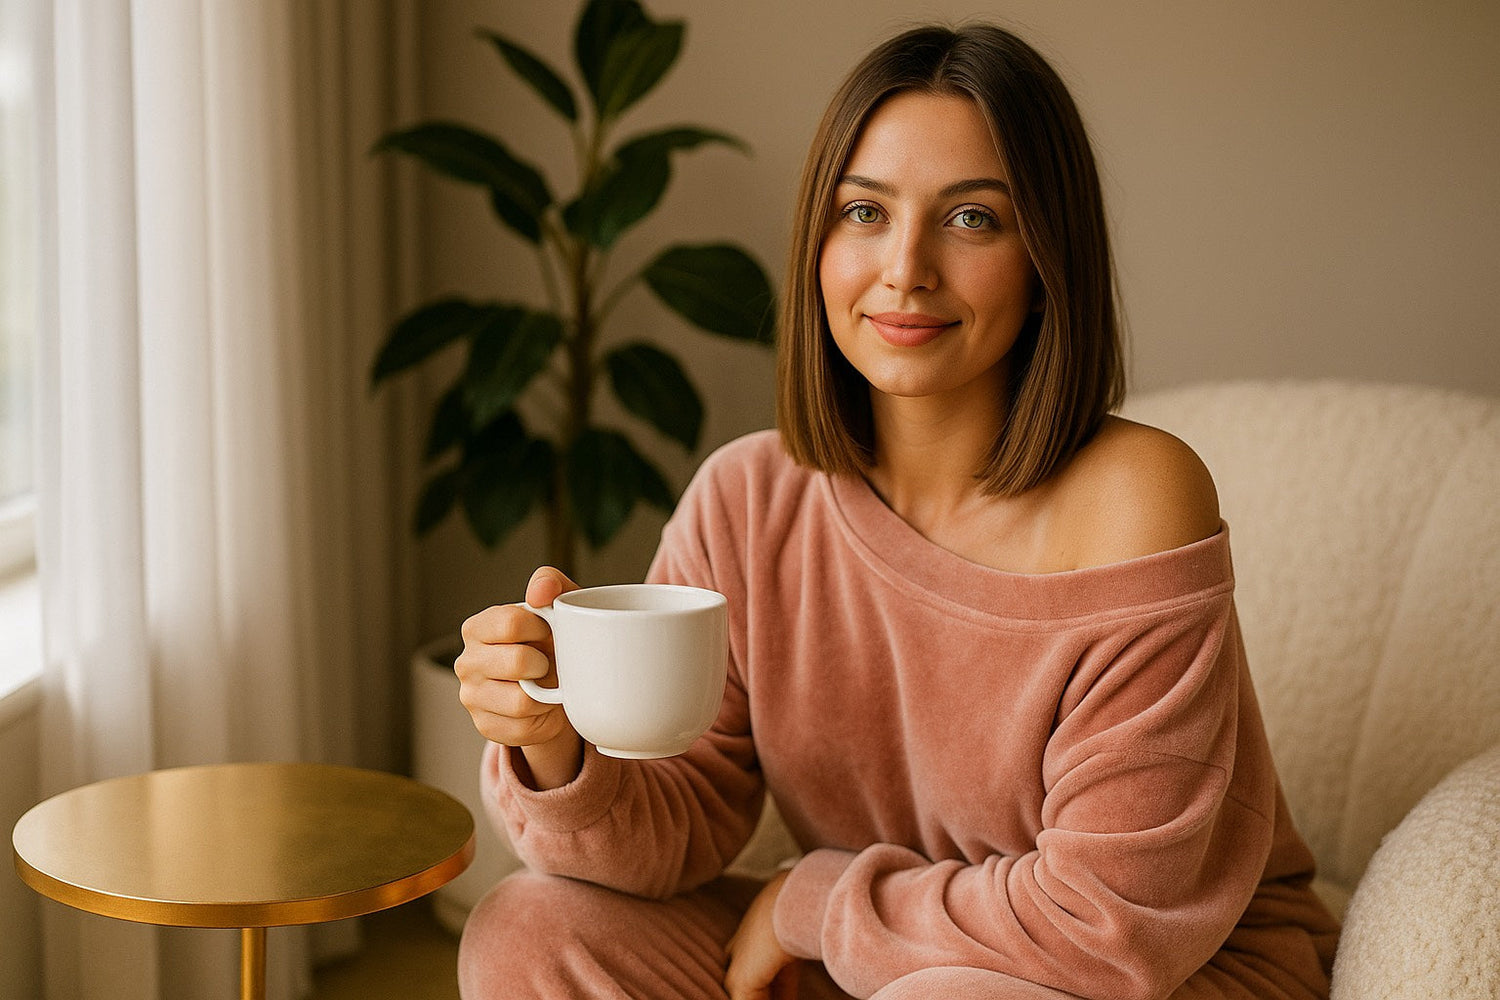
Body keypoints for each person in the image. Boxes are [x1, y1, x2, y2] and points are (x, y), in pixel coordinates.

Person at [453, 22, 1340, 1000]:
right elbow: (683, 822)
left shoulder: (1138, 497)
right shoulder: (749, 499)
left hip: (1166, 972)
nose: (906, 267)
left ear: (1046, 259)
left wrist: (814, 902)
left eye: (973, 219)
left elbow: (1111, 926)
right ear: (818, 244)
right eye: (864, 212)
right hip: (887, 960)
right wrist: (555, 748)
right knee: (527, 930)